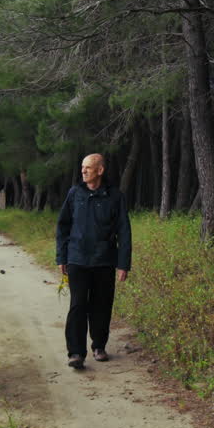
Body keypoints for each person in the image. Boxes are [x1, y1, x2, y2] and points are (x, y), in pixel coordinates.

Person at [55, 153, 131, 370]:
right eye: (82, 167)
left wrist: (123, 264)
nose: (83, 171)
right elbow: (63, 226)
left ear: (100, 170)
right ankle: (76, 352)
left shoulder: (114, 196)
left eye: (88, 167)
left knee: (101, 305)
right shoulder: (75, 193)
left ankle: (99, 346)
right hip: (77, 258)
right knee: (78, 305)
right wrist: (62, 256)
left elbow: (124, 232)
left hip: (104, 260)